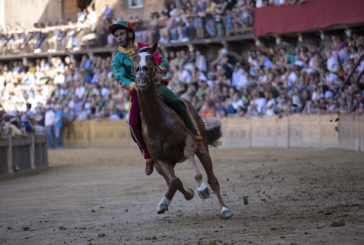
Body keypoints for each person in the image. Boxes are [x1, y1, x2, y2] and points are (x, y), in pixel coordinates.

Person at [110, 20, 206, 176]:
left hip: (156, 86)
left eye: (121, 34)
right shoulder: (117, 59)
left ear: (130, 34)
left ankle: (197, 137)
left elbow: (162, 62)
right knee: (133, 122)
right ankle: (148, 157)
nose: (118, 37)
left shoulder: (144, 48)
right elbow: (120, 77)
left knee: (178, 102)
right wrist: (134, 85)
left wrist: (161, 71)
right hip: (137, 92)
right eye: (116, 35)